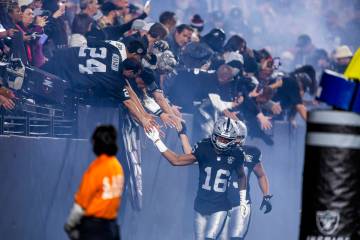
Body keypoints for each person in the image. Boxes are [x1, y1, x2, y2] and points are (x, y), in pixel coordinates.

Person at [145, 117, 248, 240]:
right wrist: (157, 140)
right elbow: (176, 160)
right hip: (200, 205)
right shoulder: (204, 147)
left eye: (226, 140)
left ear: (232, 141)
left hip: (220, 207)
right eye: (220, 137)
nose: (222, 142)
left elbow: (242, 175)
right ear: (214, 134)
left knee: (210, 237)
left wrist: (242, 200)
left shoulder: (237, 153)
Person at [64, 125, 125, 240]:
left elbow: (81, 203)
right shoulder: (117, 167)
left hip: (94, 229)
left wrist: (70, 225)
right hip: (111, 228)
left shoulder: (97, 168)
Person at [218, 120, 272, 240]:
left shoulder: (252, 152)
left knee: (237, 238)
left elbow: (261, 175)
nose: (234, 141)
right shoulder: (217, 150)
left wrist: (266, 195)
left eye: (237, 137)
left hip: (241, 203)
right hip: (219, 203)